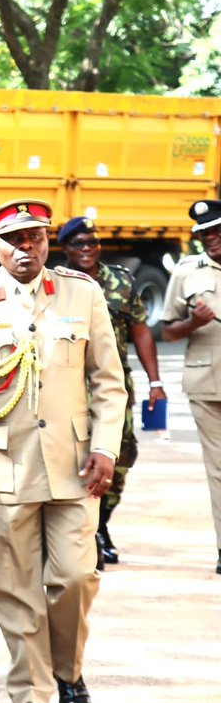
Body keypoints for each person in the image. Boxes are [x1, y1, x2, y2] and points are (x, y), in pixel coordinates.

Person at [0, 199, 126, 703]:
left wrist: (108, 449)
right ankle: (31, 698)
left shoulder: (82, 292)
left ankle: (67, 669)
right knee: (15, 587)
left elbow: (108, 383)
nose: (29, 249)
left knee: (75, 576)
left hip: (74, 465)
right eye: (16, 241)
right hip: (2, 467)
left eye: (37, 239)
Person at [57, 216, 165, 568]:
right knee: (74, 460)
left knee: (121, 459)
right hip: (69, 390)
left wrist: (156, 382)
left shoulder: (120, 280)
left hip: (115, 387)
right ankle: (87, 534)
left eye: (93, 242)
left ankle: (100, 525)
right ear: (65, 250)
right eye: (79, 244)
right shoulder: (55, 284)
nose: (87, 249)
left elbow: (140, 331)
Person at [161, 199, 221, 575]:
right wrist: (193, 323)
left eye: (216, 231)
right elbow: (168, 330)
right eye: (203, 234)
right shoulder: (186, 272)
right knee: (219, 470)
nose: (210, 239)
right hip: (207, 382)